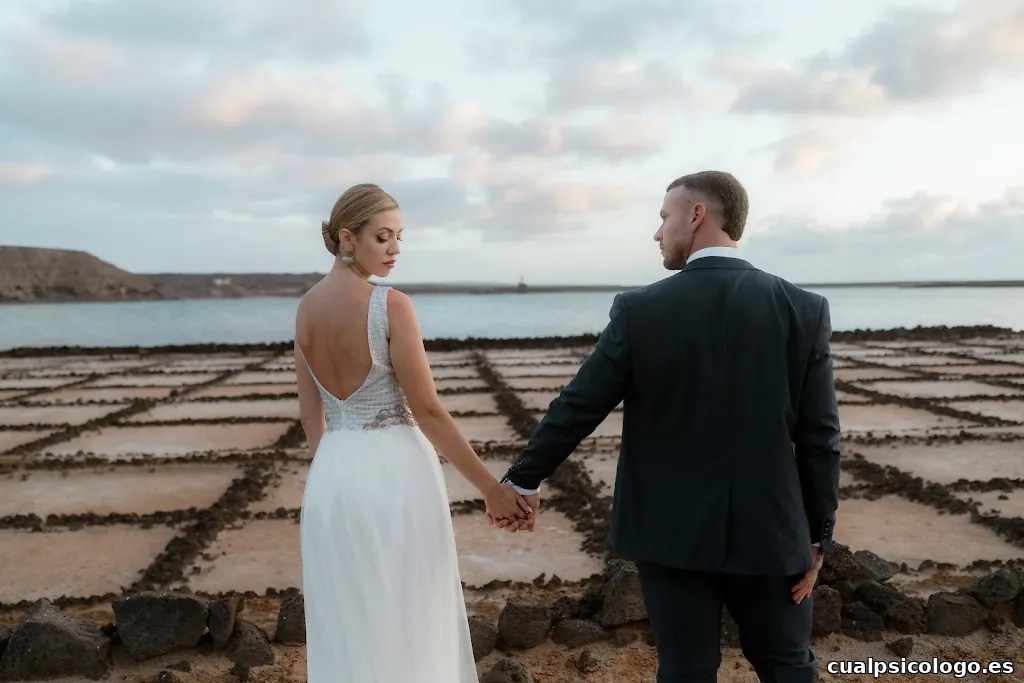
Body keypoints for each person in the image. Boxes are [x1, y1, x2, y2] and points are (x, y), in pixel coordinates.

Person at [496, 171, 841, 683]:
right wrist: (817, 536)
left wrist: (523, 479)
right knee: (788, 666)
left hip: (670, 531)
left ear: (696, 215)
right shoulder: (803, 309)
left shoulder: (641, 309)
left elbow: (579, 405)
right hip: (773, 529)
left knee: (685, 670)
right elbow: (820, 438)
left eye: (664, 218)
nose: (658, 233)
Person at [294, 183, 533, 682]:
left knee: (351, 619)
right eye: (383, 237)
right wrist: (492, 490)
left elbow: (310, 416)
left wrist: (330, 471)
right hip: (396, 473)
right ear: (347, 237)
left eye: (399, 236)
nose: (396, 249)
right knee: (411, 611)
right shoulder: (390, 305)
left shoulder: (305, 309)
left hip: (332, 478)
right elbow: (427, 410)